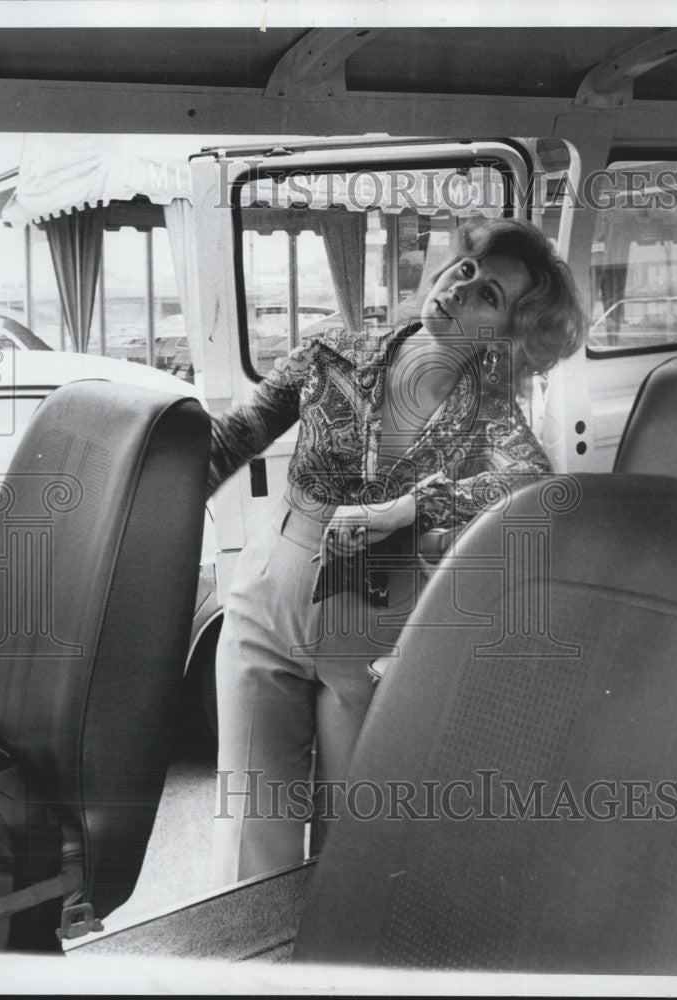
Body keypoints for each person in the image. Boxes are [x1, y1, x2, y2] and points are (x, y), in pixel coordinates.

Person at [208, 218, 585, 886]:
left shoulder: (487, 414)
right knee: (250, 827)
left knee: (354, 838)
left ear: (507, 335)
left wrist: (411, 506)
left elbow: (535, 480)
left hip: (374, 616)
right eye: (466, 271)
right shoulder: (333, 349)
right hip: (267, 593)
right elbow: (234, 437)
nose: (458, 290)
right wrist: (148, 492)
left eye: (489, 297)